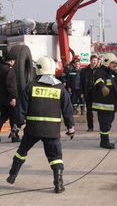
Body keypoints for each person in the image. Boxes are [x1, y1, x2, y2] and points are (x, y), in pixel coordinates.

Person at [6, 56, 75, 194]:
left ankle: (12, 176)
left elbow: (21, 109)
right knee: (55, 158)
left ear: (38, 69)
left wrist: (16, 127)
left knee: (21, 152)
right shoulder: (60, 88)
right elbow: (68, 109)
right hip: (52, 131)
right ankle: (59, 185)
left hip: (33, 130)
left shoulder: (31, 86)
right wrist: (70, 127)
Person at [92, 53, 117, 149]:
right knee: (104, 123)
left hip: (111, 104)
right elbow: (98, 80)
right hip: (103, 105)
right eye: (113, 63)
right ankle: (104, 142)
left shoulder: (113, 72)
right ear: (107, 62)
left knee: (109, 122)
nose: (115, 65)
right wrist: (102, 86)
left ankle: (105, 140)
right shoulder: (100, 71)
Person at [0, 53, 20, 142]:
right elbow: (10, 86)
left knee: (3, 116)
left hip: (1, 98)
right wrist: (13, 97)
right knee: (14, 117)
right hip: (8, 98)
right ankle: (14, 136)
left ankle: (14, 135)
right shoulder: (9, 70)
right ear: (11, 60)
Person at [80, 55, 99, 132]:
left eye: (96, 60)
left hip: (97, 93)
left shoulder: (99, 70)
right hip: (87, 93)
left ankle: (102, 127)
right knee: (89, 111)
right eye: (93, 60)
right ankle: (90, 127)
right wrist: (81, 92)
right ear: (90, 60)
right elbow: (81, 83)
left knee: (100, 110)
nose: (94, 62)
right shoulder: (84, 71)